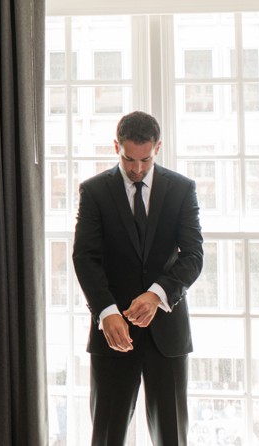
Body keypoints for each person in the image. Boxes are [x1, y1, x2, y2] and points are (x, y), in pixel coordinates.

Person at [72, 111, 204, 445]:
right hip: (113, 331)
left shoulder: (182, 189)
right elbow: (85, 258)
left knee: (172, 437)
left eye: (145, 159)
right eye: (128, 158)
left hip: (167, 334)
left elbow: (193, 256)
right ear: (116, 146)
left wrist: (157, 294)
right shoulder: (94, 191)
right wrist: (107, 312)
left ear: (158, 147)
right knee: (106, 436)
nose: (137, 168)